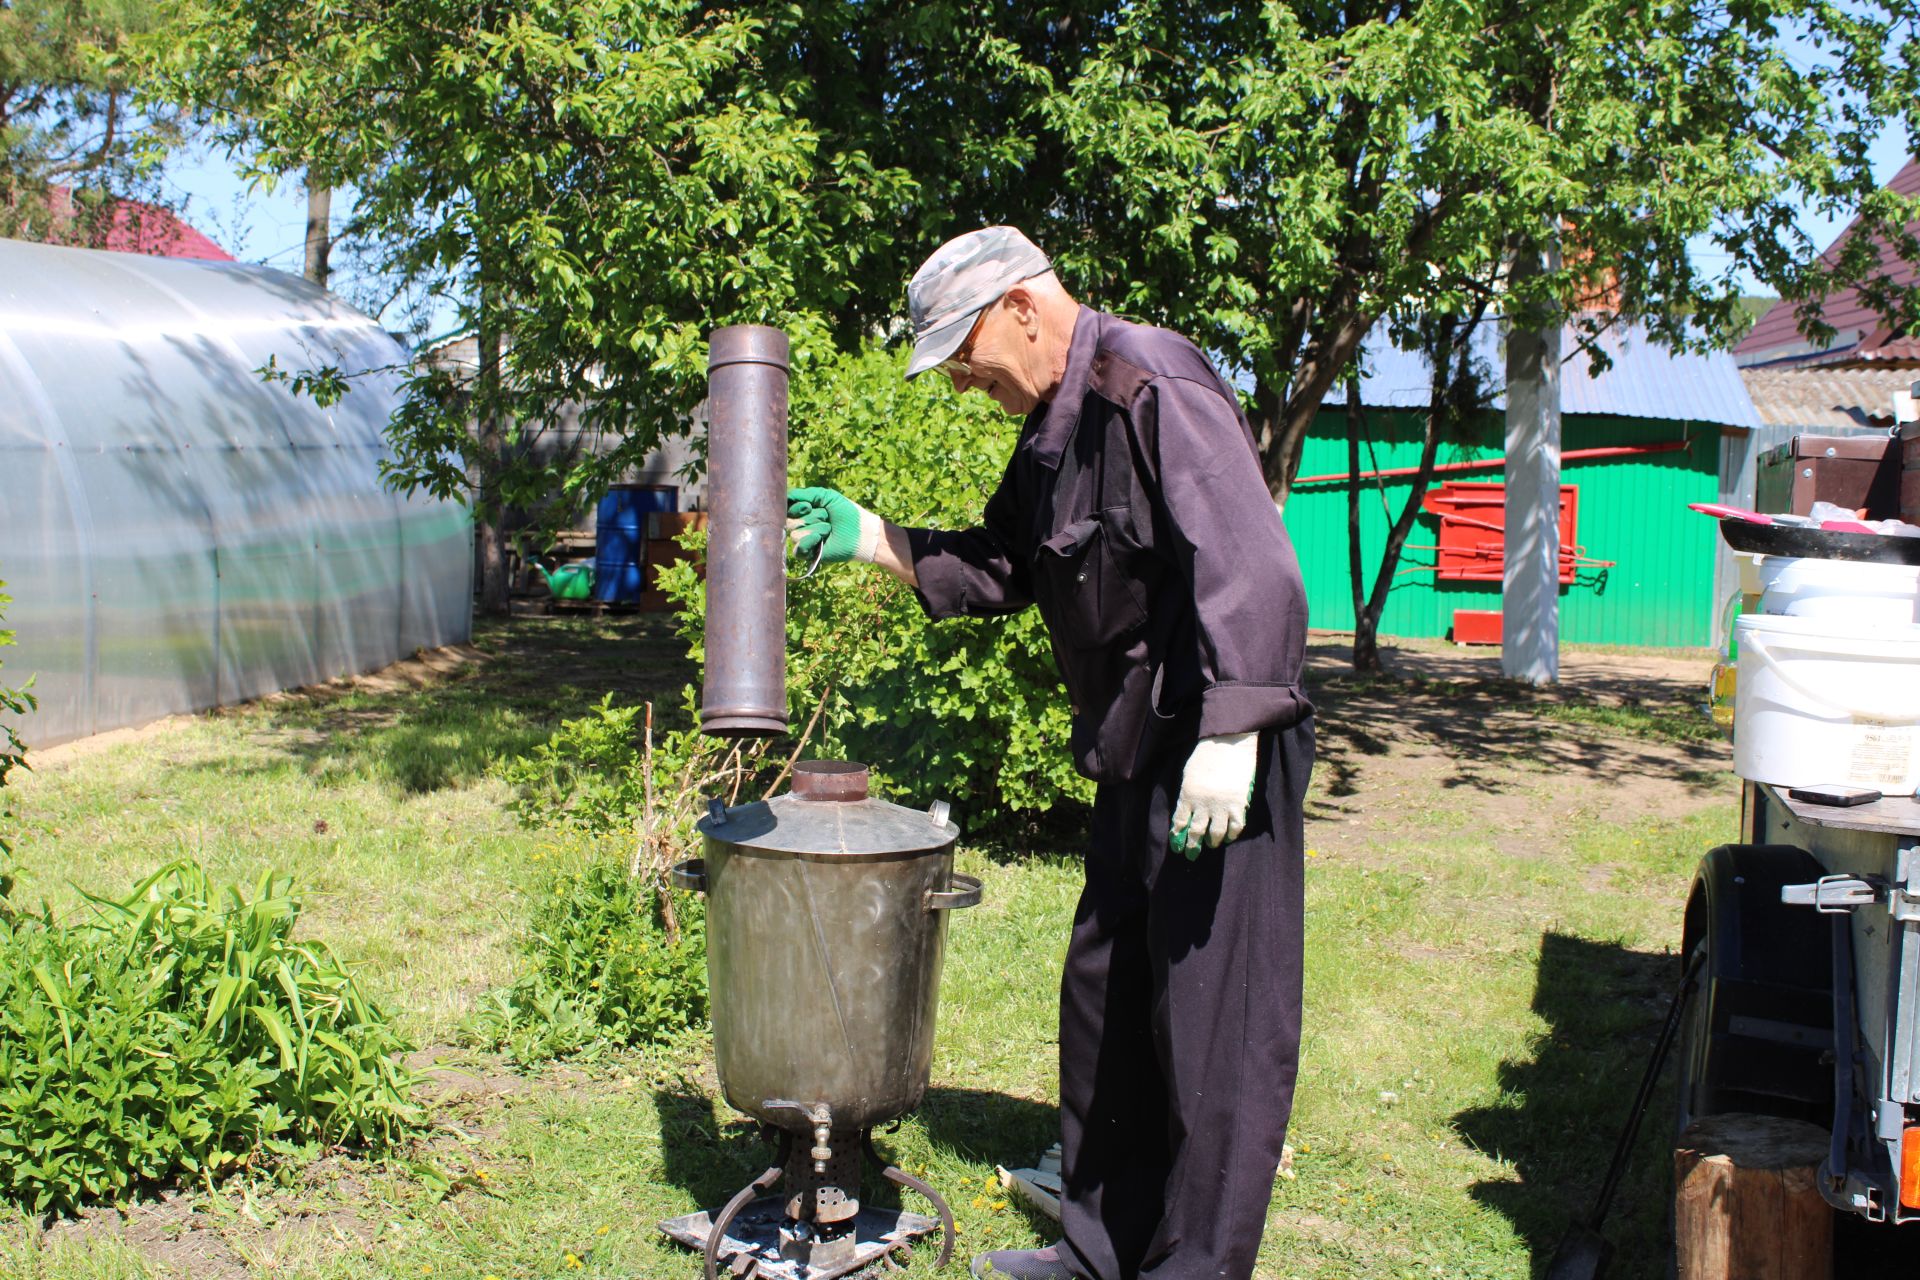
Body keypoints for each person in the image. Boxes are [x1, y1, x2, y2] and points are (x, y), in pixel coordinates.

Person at [786, 226, 1314, 1280]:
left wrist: (1235, 727)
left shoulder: (1152, 384)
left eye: (965, 354)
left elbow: (1256, 567)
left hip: (1216, 754)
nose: (962, 382)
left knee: (1214, 1034)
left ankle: (1194, 1268)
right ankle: (1100, 1251)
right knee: (1106, 1002)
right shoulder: (1050, 435)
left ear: (1023, 307)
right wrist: (875, 536)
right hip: (1132, 753)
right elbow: (1005, 563)